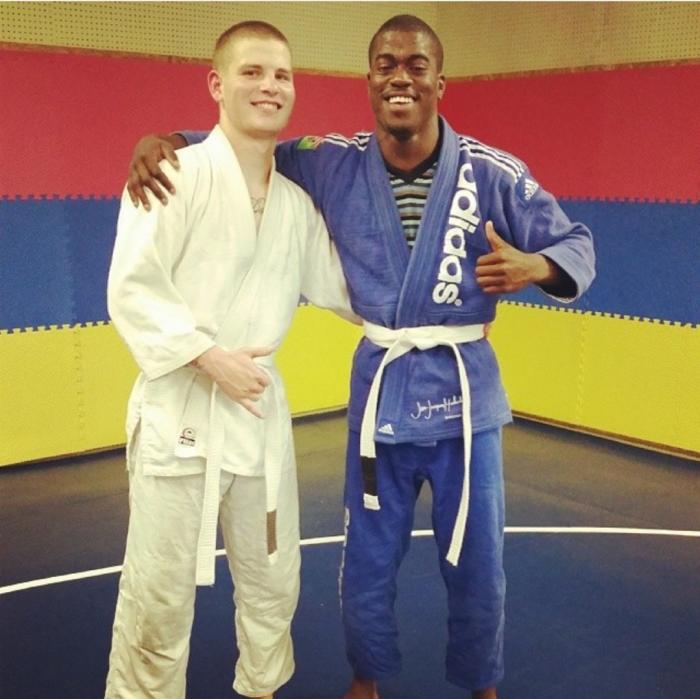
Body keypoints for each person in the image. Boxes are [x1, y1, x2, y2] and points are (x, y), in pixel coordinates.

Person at [125, 14, 596, 699]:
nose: (401, 77)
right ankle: (365, 676)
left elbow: (575, 244)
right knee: (365, 557)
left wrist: (536, 266)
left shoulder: (491, 172)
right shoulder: (330, 160)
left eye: (416, 65)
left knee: (475, 559)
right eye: (386, 64)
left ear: (440, 81)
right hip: (379, 394)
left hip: (464, 397)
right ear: (368, 79)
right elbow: (246, 150)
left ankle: (480, 682)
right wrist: (172, 141)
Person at [106, 20, 356, 699]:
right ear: (217, 84)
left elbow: (347, 288)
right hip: (180, 412)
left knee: (274, 579)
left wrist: (441, 309)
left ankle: (261, 687)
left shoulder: (296, 206)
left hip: (256, 413)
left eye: (282, 75)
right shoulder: (172, 175)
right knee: (157, 596)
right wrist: (209, 356)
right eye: (252, 72)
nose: (269, 86)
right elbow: (132, 288)